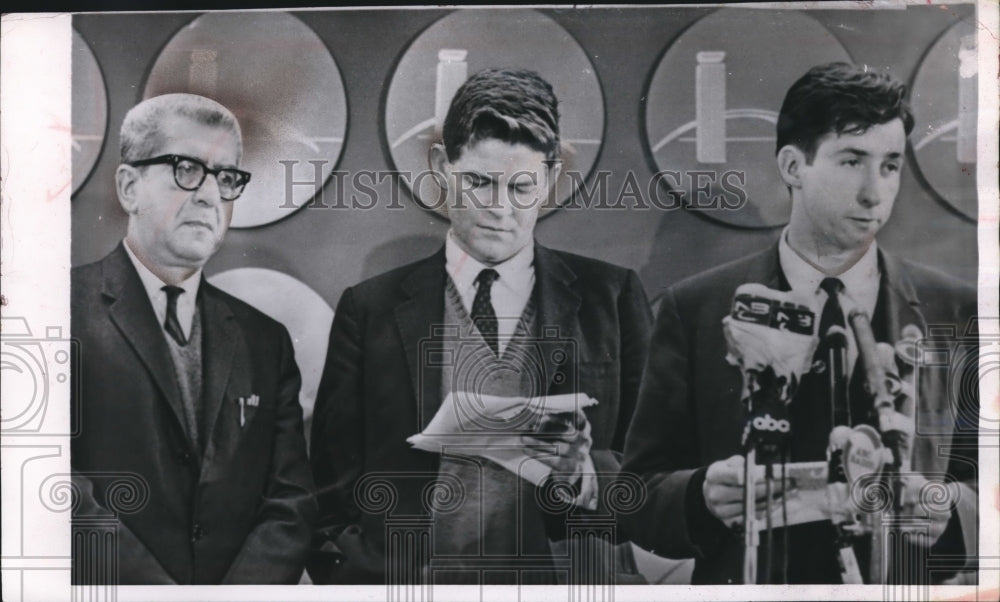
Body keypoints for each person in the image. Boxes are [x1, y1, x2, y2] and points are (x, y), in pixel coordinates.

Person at [620, 62, 978, 585]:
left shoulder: (957, 310)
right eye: (852, 161)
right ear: (792, 166)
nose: (874, 194)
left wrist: (954, 511)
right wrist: (700, 494)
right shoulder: (692, 308)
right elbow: (637, 497)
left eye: (890, 165)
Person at [308, 68, 653, 585]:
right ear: (440, 166)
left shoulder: (613, 297)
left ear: (551, 179)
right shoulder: (369, 308)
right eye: (478, 183)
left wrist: (584, 472)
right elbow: (330, 489)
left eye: (521, 188)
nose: (499, 209)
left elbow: (657, 474)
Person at [71, 93, 317, 585]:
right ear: (128, 186)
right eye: (186, 168)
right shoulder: (57, 311)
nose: (209, 195)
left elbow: (291, 503)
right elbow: (49, 486)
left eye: (226, 178)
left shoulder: (265, 341)